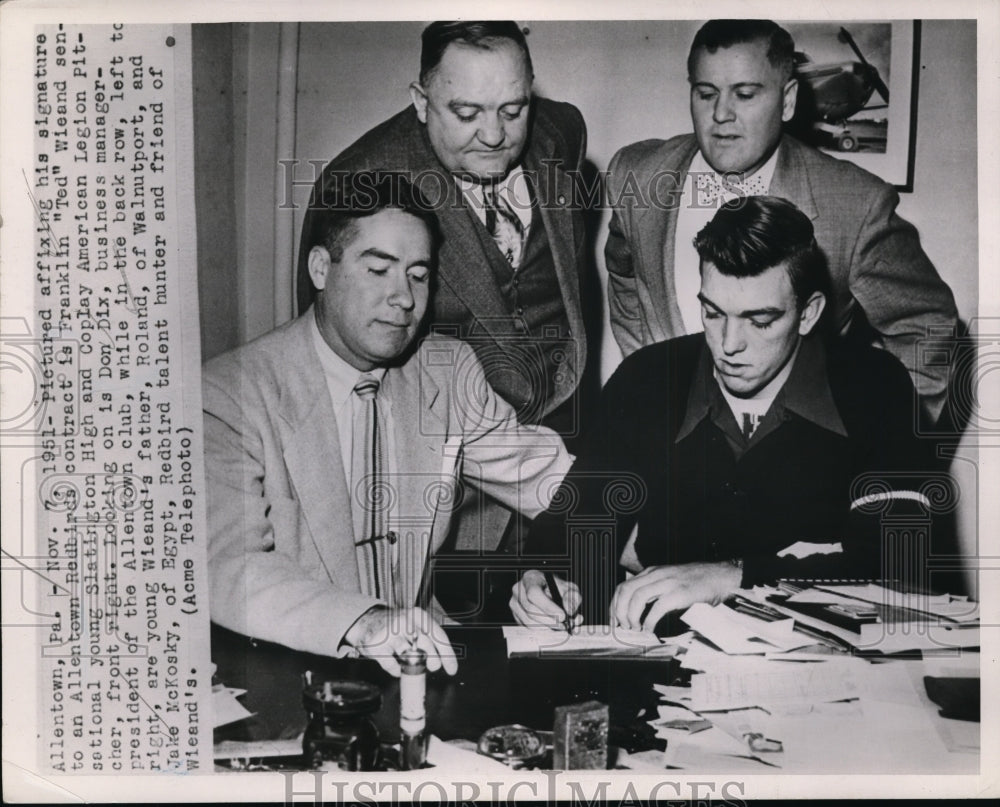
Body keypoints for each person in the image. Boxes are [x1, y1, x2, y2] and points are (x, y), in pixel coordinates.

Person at [512, 196, 936, 633]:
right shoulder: (648, 377)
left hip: (826, 670)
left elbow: (902, 564)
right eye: (713, 313)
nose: (729, 344)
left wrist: (733, 576)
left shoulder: (876, 386)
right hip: (668, 665)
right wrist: (540, 579)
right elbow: (574, 524)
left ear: (808, 314)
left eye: (760, 320)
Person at [204, 173, 572, 675]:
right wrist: (370, 622)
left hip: (423, 665)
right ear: (320, 269)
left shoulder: (448, 369)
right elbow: (227, 565)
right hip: (293, 670)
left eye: (418, 275)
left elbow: (552, 481)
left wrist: (692, 564)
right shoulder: (228, 393)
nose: (404, 298)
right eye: (379, 270)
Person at [605, 19, 958, 423]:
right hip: (671, 448)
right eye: (706, 94)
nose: (721, 114)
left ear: (787, 100)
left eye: (745, 94)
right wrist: (647, 375)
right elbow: (624, 273)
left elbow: (927, 326)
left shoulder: (856, 205)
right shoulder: (636, 173)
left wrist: (889, 448)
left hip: (793, 460)